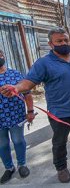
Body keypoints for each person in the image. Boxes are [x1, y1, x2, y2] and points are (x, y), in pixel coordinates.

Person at [0, 28, 70, 183]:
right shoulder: (43, 63)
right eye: (59, 41)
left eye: (66, 40)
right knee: (60, 142)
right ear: (50, 44)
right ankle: (61, 168)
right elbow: (29, 82)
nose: (64, 43)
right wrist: (17, 88)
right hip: (60, 113)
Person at [0, 50, 34, 184]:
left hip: (16, 116)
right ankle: (9, 168)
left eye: (0, 55)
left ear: (4, 56)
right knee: (2, 145)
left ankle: (22, 164)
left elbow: (27, 93)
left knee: (18, 141)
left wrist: (30, 111)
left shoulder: (16, 74)